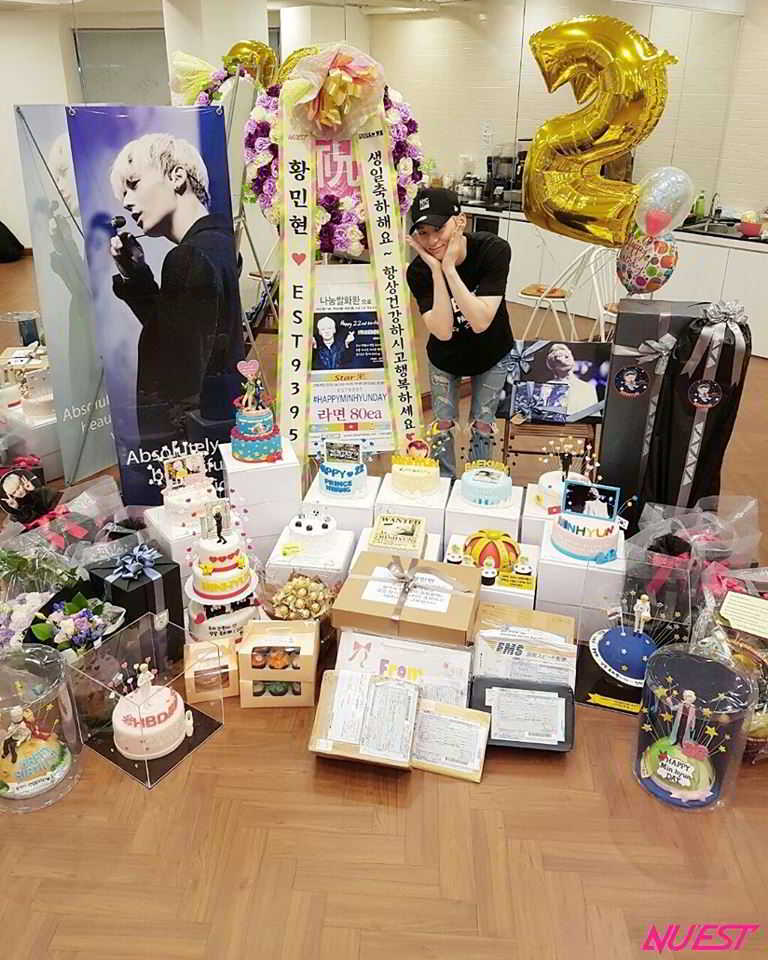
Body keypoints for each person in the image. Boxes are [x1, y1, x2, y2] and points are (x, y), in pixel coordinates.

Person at [108, 133, 244, 452]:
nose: (126, 202)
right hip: (223, 420)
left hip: (190, 442)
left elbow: (174, 370)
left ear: (177, 176)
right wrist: (137, 276)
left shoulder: (187, 257)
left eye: (134, 184)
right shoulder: (222, 241)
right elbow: (181, 332)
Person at [406, 188, 513, 477]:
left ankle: (479, 481)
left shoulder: (493, 250)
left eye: (439, 229)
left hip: (492, 350)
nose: (432, 241)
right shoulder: (418, 272)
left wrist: (450, 270)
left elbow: (480, 321)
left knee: (483, 423)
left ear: (461, 221)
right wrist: (436, 270)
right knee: (442, 424)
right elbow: (442, 331)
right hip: (445, 355)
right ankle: (443, 482)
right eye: (423, 233)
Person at [543, 343, 598, 416]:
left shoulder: (588, 388)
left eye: (567, 356)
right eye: (558, 358)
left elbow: (594, 416)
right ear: (553, 366)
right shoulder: (547, 387)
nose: (563, 359)